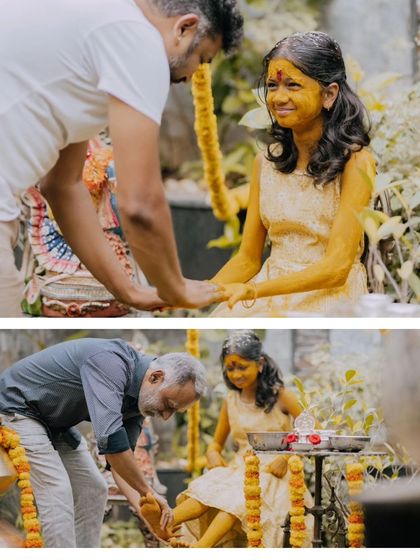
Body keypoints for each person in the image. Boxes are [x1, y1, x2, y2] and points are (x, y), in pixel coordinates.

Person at [0, 0, 244, 317]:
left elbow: (63, 185)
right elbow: (140, 205)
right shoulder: (138, 40)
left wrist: (128, 291)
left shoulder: (93, 21)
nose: (191, 75)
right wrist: (175, 288)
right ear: (184, 27)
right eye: (202, 59)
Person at [210, 31, 376, 317]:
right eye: (273, 85)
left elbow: (336, 268)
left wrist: (252, 291)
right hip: (268, 292)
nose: (279, 97)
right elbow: (248, 260)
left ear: (329, 94)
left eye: (293, 85)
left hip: (330, 300)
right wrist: (197, 294)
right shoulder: (265, 162)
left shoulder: (356, 161)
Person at [0, 338, 207, 547]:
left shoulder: (139, 400)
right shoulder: (109, 362)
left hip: (53, 422)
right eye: (168, 405)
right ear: (156, 377)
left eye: (174, 411)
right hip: (17, 407)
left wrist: (149, 516)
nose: (166, 416)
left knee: (95, 489)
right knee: (57, 489)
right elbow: (112, 444)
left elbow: (120, 463)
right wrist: (149, 491)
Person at [139, 330, 313, 547]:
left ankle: (201, 547)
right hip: (240, 468)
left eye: (242, 367)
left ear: (259, 364)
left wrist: (287, 457)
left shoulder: (282, 396)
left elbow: (313, 433)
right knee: (209, 487)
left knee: (238, 498)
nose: (236, 374)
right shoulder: (231, 400)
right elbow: (216, 443)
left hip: (275, 474)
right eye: (230, 368)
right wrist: (212, 453)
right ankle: (167, 520)